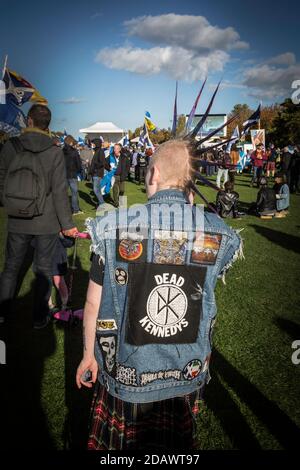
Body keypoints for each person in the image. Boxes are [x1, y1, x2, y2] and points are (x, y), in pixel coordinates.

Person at [76, 139, 242, 450]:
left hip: (125, 373)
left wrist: (88, 354)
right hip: (185, 372)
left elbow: (92, 302)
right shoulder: (217, 232)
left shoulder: (112, 226)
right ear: (191, 185)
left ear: (152, 175)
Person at [0, 104, 78, 328]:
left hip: (17, 218)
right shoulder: (54, 151)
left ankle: (3, 313)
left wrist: (11, 203)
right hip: (46, 221)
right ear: (48, 125)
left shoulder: (10, 146)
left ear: (29, 121)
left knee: (11, 267)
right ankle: (38, 317)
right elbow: (60, 192)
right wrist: (67, 224)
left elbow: (2, 179)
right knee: (43, 270)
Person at [63, 135, 83, 215]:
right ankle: (75, 210)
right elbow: (78, 163)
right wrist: (79, 170)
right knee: (74, 193)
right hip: (72, 174)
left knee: (64, 193)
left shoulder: (61, 151)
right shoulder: (74, 151)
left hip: (64, 174)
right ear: (71, 142)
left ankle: (64, 209)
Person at [89, 139, 109, 207]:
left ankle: (102, 204)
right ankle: (101, 203)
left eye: (93, 143)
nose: (92, 145)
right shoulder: (97, 151)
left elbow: (102, 163)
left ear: (97, 144)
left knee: (96, 190)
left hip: (97, 173)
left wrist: (94, 167)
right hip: (95, 173)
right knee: (98, 190)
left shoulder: (100, 151)